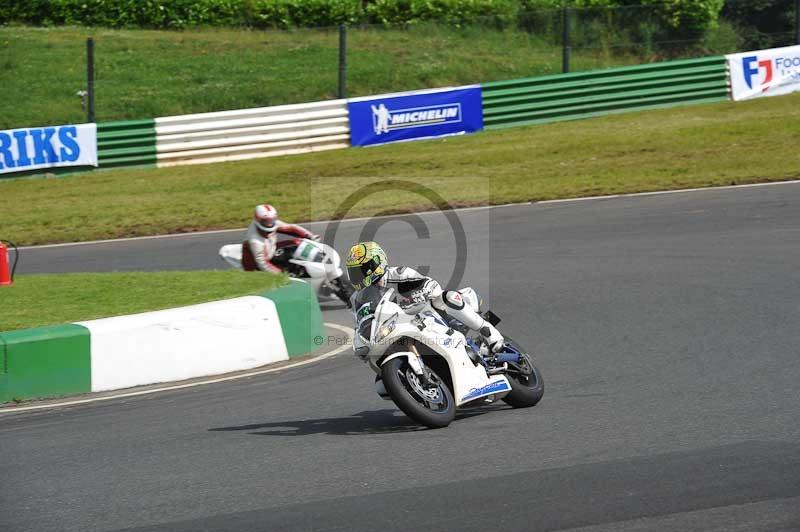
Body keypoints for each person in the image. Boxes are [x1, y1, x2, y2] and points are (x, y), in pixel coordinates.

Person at [345, 241, 504, 352]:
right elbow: (363, 324)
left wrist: (421, 294)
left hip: (431, 316)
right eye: (355, 272)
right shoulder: (363, 299)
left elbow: (431, 285)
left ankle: (488, 331)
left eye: (363, 270)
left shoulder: (399, 274)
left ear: (377, 262)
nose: (359, 276)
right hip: (401, 330)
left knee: (448, 297)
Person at [242, 203, 320, 273]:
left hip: (270, 251)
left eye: (271, 220)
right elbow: (263, 264)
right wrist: (281, 275)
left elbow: (291, 228)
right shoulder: (255, 241)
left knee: (298, 243)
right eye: (266, 221)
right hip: (255, 268)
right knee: (285, 273)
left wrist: (311, 236)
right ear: (258, 220)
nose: (269, 224)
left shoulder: (272, 224)